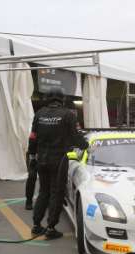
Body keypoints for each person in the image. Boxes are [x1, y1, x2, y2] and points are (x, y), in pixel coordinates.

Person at [27, 88, 88, 239]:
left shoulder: (39, 114)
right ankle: (51, 227)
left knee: (43, 191)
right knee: (56, 192)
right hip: (59, 160)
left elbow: (33, 137)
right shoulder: (68, 114)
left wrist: (32, 156)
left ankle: (36, 225)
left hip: (42, 159)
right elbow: (76, 137)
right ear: (62, 99)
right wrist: (87, 146)